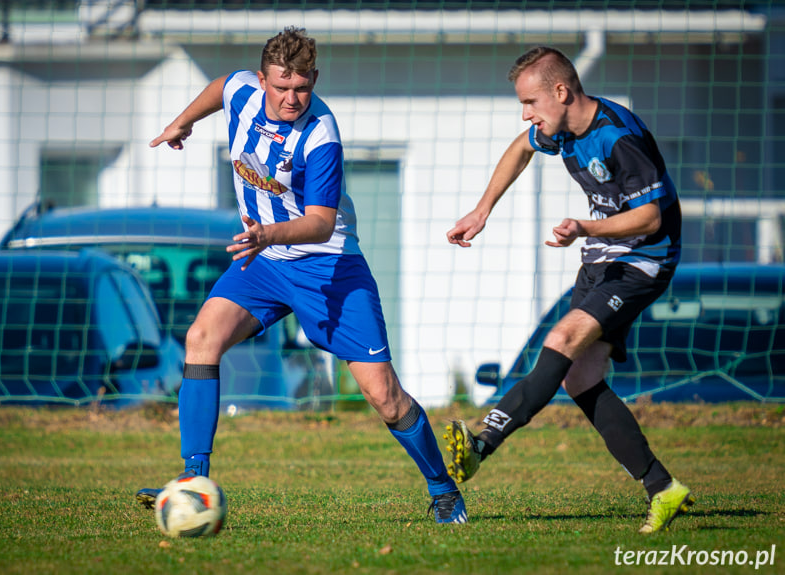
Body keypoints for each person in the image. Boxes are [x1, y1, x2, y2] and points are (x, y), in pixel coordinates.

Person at [136, 27, 467, 524]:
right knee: (200, 337)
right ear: (264, 79)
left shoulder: (321, 135)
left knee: (384, 396)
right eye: (281, 86)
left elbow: (321, 222)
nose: (292, 98)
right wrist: (182, 123)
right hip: (264, 262)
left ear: (315, 79)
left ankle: (443, 488)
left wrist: (268, 234)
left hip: (328, 267)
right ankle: (193, 479)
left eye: (303, 87)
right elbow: (221, 85)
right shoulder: (243, 93)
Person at [444, 46, 694, 534]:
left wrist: (584, 226)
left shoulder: (617, 138)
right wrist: (482, 211)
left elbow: (650, 217)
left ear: (561, 92)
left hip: (643, 260)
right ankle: (664, 489)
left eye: (531, 103)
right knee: (579, 379)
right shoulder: (559, 131)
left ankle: (481, 446)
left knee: (560, 340)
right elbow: (519, 149)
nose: (526, 115)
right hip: (604, 257)